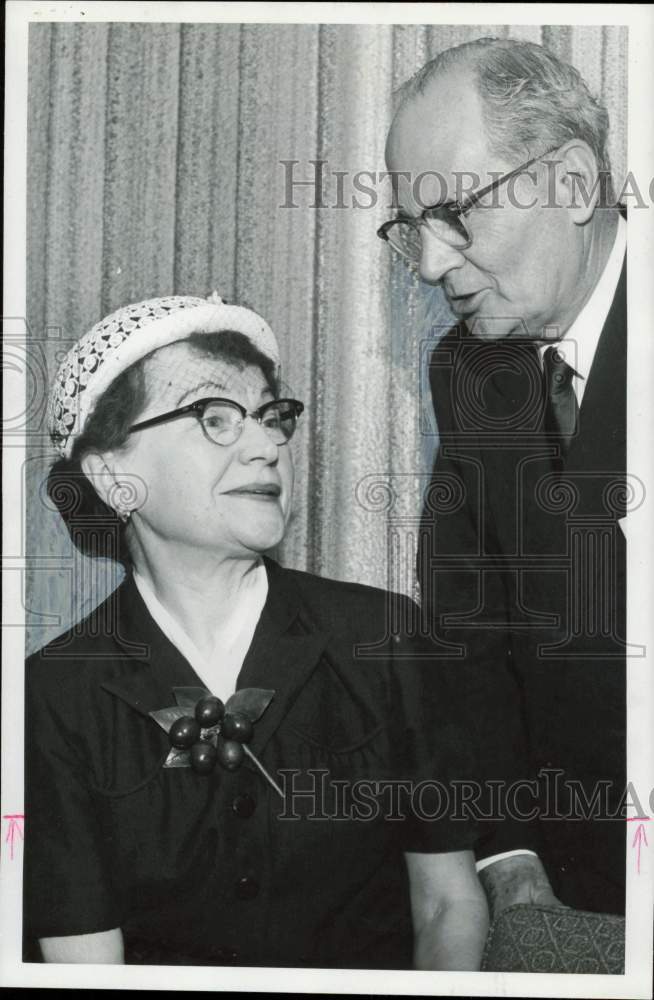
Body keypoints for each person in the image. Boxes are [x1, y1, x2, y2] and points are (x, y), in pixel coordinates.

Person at [24, 292, 488, 968]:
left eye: (272, 417)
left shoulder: (384, 638)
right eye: (215, 418)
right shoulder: (55, 695)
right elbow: (85, 963)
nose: (267, 445)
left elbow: (448, 904)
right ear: (114, 474)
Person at [380, 37, 627, 917]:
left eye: (457, 214)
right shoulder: (470, 373)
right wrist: (511, 855)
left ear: (570, 181)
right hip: (580, 889)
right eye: (412, 228)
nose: (432, 265)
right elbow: (464, 641)